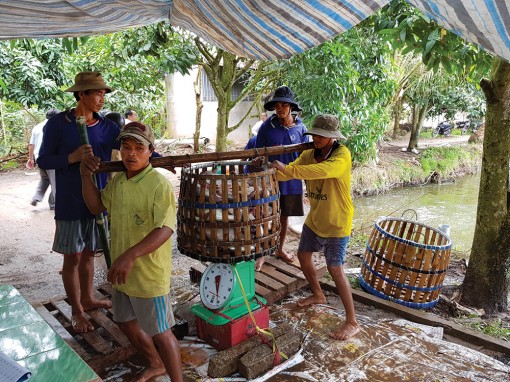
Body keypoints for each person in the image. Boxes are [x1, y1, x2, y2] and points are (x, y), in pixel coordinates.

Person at [80, 122, 183, 382]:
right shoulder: (118, 183)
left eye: (139, 148)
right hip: (122, 274)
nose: (131, 154)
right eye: (126, 147)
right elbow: (95, 207)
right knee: (124, 321)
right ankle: (155, 363)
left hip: (148, 276)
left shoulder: (158, 185)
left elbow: (165, 229)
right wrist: (84, 176)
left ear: (151, 151)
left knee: (161, 331)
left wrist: (129, 256)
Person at [37, 71, 120, 333]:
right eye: (96, 92)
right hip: (70, 203)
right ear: (81, 94)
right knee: (72, 257)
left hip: (98, 202)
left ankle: (87, 297)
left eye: (104, 93)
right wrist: (71, 158)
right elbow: (43, 160)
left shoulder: (108, 127)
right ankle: (76, 310)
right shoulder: (58, 125)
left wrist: (159, 159)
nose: (102, 98)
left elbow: (133, 148)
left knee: (89, 254)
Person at [271, 114, 360, 341]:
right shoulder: (309, 154)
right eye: (316, 135)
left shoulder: (342, 155)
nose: (318, 138)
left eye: (323, 136)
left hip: (337, 222)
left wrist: (289, 171)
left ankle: (352, 322)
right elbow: (289, 170)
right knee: (303, 255)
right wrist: (268, 168)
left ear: (333, 138)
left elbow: (322, 171)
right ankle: (318, 294)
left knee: (335, 268)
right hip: (316, 218)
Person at [254, 86, 309, 271]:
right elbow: (258, 154)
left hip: (293, 182)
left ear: (291, 107)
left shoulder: (301, 128)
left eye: (284, 105)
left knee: (284, 217)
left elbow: (307, 157)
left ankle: (279, 249)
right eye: (277, 105)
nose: (280, 109)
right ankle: (261, 255)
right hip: (270, 180)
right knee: (265, 216)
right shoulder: (267, 127)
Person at [27, 108, 60, 209]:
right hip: (51, 158)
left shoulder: (37, 127)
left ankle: (36, 197)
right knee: (56, 182)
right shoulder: (55, 127)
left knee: (45, 179)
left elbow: (31, 144)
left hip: (39, 158)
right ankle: (55, 204)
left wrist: (31, 158)